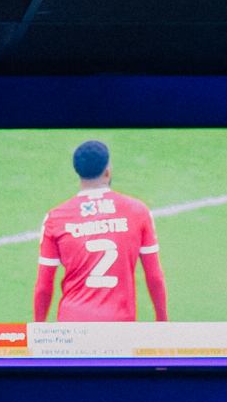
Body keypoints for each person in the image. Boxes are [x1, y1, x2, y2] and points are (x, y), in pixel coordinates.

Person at [32, 138, 169, 323]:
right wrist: (162, 320)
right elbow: (154, 277)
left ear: (78, 172)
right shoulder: (138, 211)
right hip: (119, 325)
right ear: (107, 171)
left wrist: (39, 328)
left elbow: (44, 287)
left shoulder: (56, 218)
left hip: (72, 325)